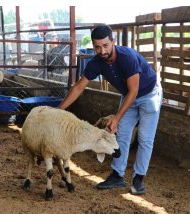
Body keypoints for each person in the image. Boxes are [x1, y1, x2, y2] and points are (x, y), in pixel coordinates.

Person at [58, 25, 162, 195]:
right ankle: (117, 175)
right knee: (121, 135)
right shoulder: (96, 62)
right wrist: (59, 110)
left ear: (113, 41)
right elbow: (78, 87)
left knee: (145, 138)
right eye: (97, 47)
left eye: (106, 45)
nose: (102, 50)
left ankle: (138, 179)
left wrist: (117, 117)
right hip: (128, 95)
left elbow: (134, 90)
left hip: (149, 95)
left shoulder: (127, 57)